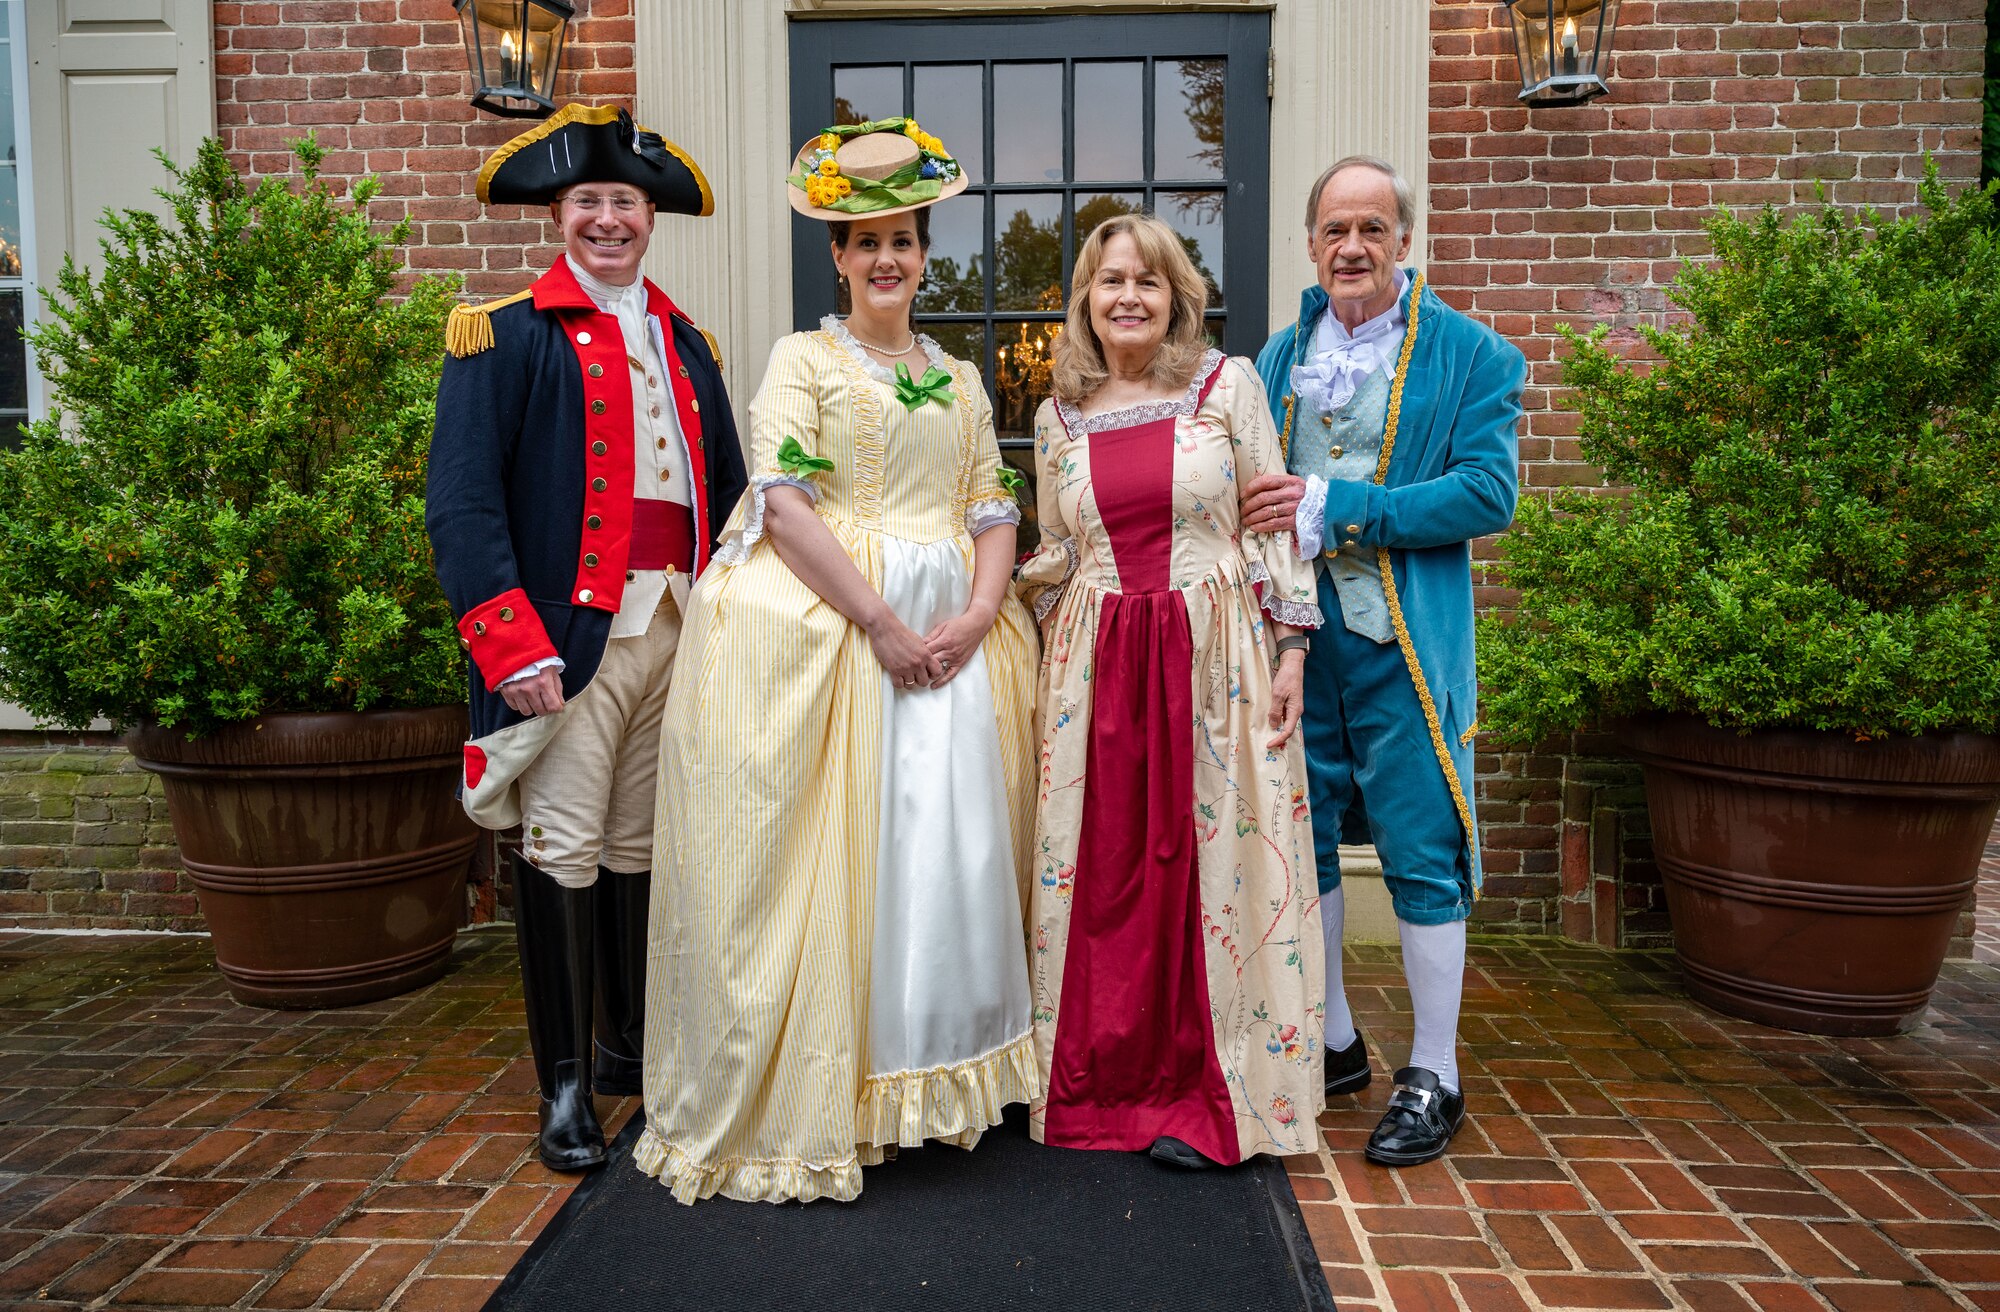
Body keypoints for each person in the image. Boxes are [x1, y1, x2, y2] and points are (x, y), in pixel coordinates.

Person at [635, 118, 1040, 1205]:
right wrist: (880, 622)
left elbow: (990, 505)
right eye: (864, 244)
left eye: (901, 240)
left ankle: (944, 1071)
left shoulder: (957, 380)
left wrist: (975, 610)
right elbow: (782, 504)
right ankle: (845, 1084)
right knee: (852, 854)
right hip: (842, 630)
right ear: (836, 257)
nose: (885, 261)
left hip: (954, 637)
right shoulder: (801, 360)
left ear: (924, 252)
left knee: (940, 853)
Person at [426, 104, 745, 1172]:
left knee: (638, 845)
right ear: (558, 216)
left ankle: (627, 1051)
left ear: (650, 217)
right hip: (566, 640)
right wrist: (509, 644)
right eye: (587, 202)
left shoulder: (687, 342)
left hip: (678, 627)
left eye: (625, 202)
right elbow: (464, 507)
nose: (608, 219)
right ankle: (562, 1089)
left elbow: (734, 501)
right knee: (562, 844)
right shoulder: (504, 332)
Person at [1018, 213, 1326, 1171]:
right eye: (1111, 282)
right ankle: (1098, 1079)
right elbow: (1059, 551)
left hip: (1215, 652)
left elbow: (1270, 521)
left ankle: (1216, 1091)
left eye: (1147, 282)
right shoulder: (1055, 418)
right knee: (1106, 868)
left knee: (1213, 867)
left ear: (1176, 297)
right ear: (1086, 301)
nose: (1128, 298)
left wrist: (1291, 652)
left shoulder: (1224, 386)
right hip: (1097, 661)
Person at [1241, 155, 1523, 1167]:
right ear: (1310, 245)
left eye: (1371, 228)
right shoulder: (1273, 360)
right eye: (1332, 230)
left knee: (1419, 851)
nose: (1350, 247)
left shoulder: (1473, 355)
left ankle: (1434, 1068)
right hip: (1294, 645)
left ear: (1403, 238)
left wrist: (1344, 507)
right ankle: (1332, 1043)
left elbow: (1486, 495)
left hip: (1400, 640)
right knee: (1302, 841)